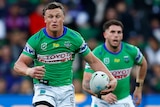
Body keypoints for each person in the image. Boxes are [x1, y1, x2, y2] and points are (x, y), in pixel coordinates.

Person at [13, 2, 117, 107]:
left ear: (63, 17)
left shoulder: (74, 38)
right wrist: (28, 70)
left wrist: (111, 78)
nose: (54, 20)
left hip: (66, 90)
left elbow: (92, 60)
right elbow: (18, 65)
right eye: (50, 16)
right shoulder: (36, 40)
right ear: (45, 19)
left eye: (57, 16)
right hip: (45, 89)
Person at [82, 19, 147, 107]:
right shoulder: (96, 54)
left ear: (122, 35)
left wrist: (138, 88)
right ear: (105, 34)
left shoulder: (131, 51)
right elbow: (85, 84)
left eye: (119, 32)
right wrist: (103, 96)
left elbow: (143, 64)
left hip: (124, 100)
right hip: (101, 102)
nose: (116, 35)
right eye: (112, 32)